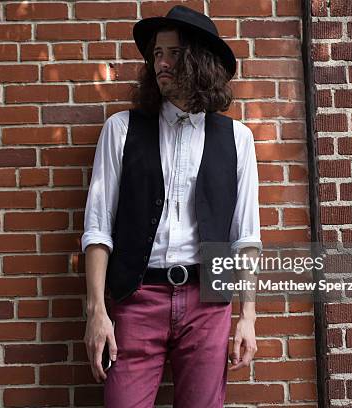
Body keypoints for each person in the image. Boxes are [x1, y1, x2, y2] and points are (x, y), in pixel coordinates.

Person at [81, 5, 261, 407]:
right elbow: (97, 228)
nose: (161, 63)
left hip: (207, 304)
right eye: (157, 54)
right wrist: (97, 310)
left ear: (199, 60)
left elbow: (244, 238)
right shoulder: (121, 130)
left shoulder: (237, 139)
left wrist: (247, 316)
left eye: (173, 54)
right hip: (137, 298)